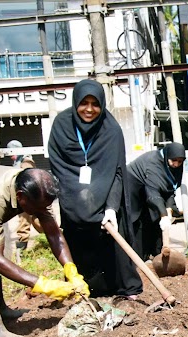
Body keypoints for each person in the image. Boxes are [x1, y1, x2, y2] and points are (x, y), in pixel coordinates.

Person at [0, 166, 86, 337]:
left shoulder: (34, 190)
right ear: (20, 196)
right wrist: (44, 285)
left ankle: (2, 311)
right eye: (38, 208)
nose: (42, 210)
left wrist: (71, 270)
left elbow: (53, 233)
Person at [48, 79, 143, 298]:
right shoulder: (62, 125)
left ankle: (125, 288)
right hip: (72, 199)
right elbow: (58, 166)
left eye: (95, 103)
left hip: (106, 197)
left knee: (111, 241)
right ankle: (83, 289)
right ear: (75, 102)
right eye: (84, 103)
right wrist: (77, 198)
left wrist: (110, 207)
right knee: (78, 241)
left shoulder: (111, 130)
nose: (89, 109)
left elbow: (117, 173)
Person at [127, 142, 185, 260]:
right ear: (167, 156)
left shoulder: (176, 166)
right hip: (133, 186)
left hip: (151, 189)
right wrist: (163, 215)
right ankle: (139, 258)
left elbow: (170, 188)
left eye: (180, 161)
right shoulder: (153, 163)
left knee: (155, 219)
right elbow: (153, 193)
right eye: (174, 160)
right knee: (139, 221)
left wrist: (169, 209)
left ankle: (157, 253)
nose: (176, 164)